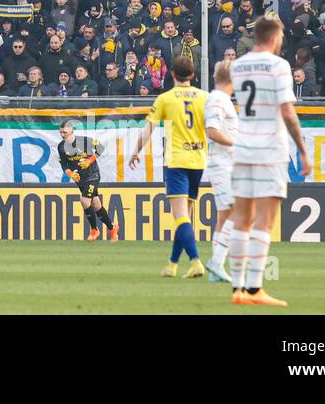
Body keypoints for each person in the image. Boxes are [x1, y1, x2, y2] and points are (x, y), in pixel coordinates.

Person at [226, 16, 311, 307]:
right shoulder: (279, 66)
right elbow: (287, 112)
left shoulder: (238, 65)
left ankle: (237, 288)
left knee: (242, 220)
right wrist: (302, 150)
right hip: (269, 148)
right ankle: (254, 288)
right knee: (264, 221)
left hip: (242, 147)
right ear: (275, 38)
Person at [129, 55, 207, 279]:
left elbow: (148, 129)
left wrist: (136, 150)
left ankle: (195, 262)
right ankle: (173, 265)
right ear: (192, 75)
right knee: (185, 219)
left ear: (172, 74)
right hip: (198, 160)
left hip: (176, 161)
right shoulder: (205, 97)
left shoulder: (165, 98)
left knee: (180, 217)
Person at [203, 59, 238, 282]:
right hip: (222, 166)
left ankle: (216, 270)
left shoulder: (222, 99)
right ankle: (216, 261)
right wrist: (238, 145)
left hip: (226, 164)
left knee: (225, 216)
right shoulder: (217, 100)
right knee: (239, 212)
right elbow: (212, 131)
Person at [57, 118, 117, 241]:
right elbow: (64, 164)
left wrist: (90, 160)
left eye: (65, 132)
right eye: (61, 133)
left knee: (84, 200)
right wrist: (71, 175)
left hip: (92, 175)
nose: (63, 135)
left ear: (71, 130)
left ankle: (94, 230)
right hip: (80, 179)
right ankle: (112, 228)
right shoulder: (61, 147)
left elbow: (100, 147)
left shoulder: (85, 141)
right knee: (95, 204)